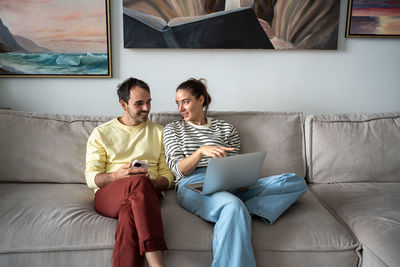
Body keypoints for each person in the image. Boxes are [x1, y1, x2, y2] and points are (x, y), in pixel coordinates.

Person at [163, 78, 307, 267]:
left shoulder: (226, 129)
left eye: (185, 101)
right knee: (232, 206)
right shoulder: (173, 129)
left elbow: (233, 162)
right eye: (177, 103)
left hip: (229, 182)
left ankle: (239, 211)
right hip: (192, 183)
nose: (180, 108)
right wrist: (200, 152)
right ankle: (235, 210)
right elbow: (178, 170)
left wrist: (240, 180)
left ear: (201, 100)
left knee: (294, 181)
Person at [85, 77, 174, 267]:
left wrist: (153, 183)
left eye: (149, 102)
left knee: (129, 215)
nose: (147, 108)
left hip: (147, 193)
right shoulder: (101, 133)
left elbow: (169, 175)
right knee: (138, 183)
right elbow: (91, 177)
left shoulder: (159, 132)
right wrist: (116, 176)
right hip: (109, 195)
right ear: (123, 105)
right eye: (139, 103)